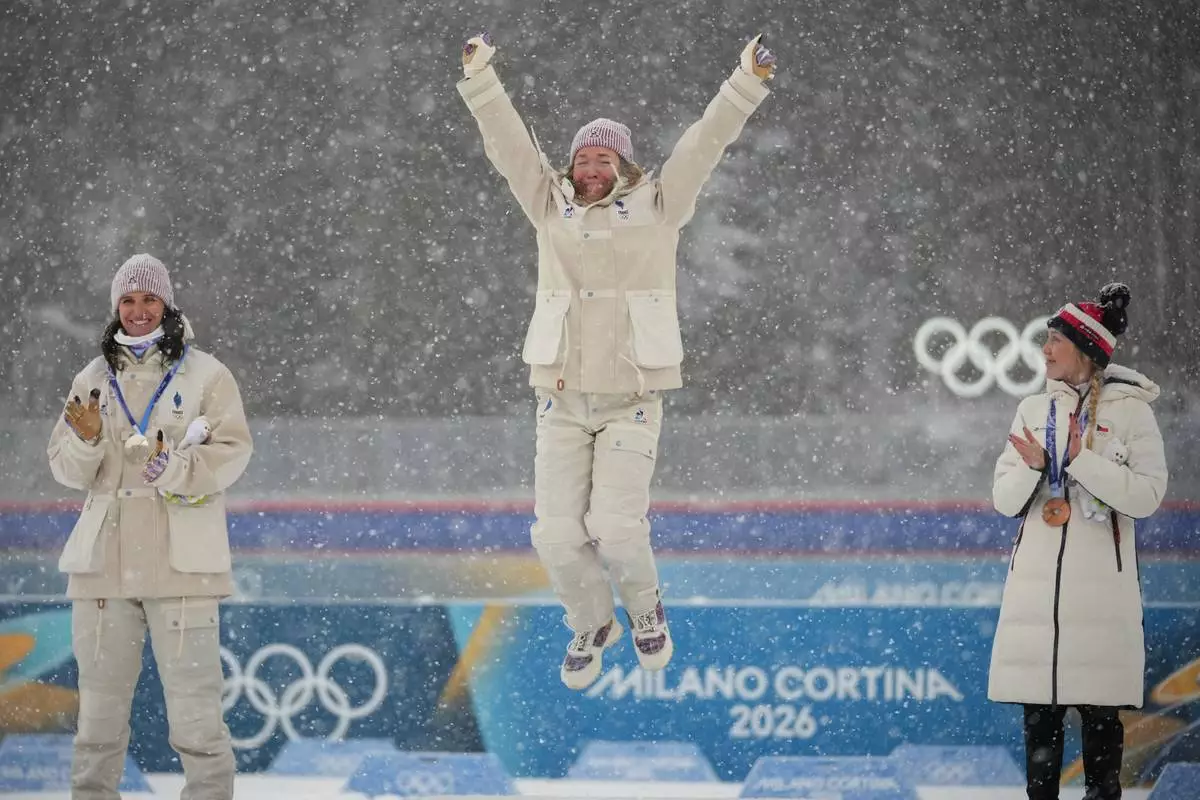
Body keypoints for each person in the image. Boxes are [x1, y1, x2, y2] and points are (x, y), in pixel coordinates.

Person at [456, 31, 776, 689]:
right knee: (554, 535)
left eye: (603, 158)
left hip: (631, 399)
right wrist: (482, 78)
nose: (590, 168)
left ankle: (645, 611)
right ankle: (592, 624)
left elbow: (703, 143)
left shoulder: (659, 206)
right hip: (562, 399)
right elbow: (508, 148)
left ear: (623, 166)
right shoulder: (550, 207)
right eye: (582, 158)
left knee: (616, 528)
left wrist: (744, 82)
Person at [47, 253, 253, 799]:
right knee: (98, 723)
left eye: (149, 299)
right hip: (103, 571)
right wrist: (85, 439)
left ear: (166, 303)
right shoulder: (91, 378)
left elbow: (234, 453)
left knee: (198, 721)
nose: (139, 311)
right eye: (129, 300)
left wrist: (179, 469)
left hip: (181, 568)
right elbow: (66, 471)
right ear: (117, 307)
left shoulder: (207, 374)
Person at [988, 283, 1168, 799]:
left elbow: (1148, 495)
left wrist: (1081, 461)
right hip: (1037, 602)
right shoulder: (1031, 410)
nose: (1044, 350)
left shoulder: (1132, 414)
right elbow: (1004, 500)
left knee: (1100, 728)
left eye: (1054, 340)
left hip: (1099, 599)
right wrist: (1035, 468)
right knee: (1039, 735)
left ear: (1086, 349)